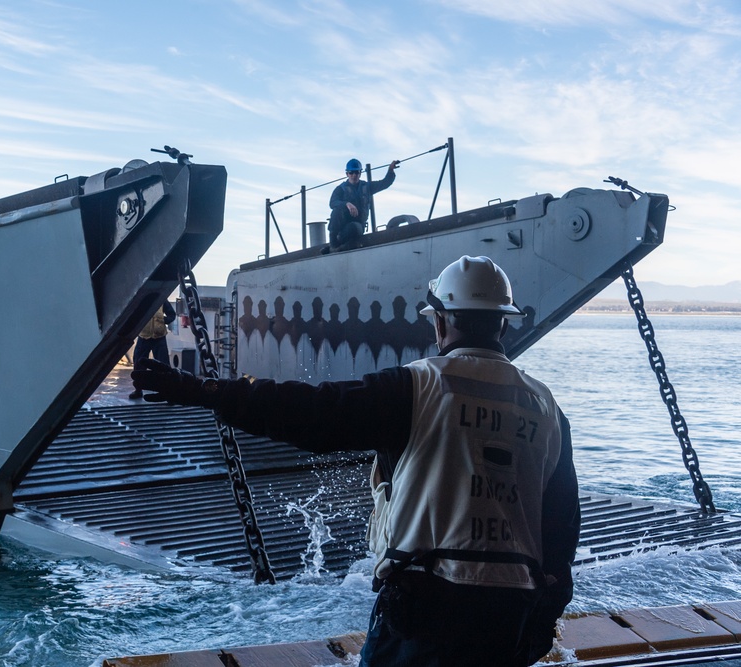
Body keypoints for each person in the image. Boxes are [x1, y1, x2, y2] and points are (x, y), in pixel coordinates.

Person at [131, 256, 580, 666]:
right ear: (502, 324)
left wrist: (203, 392)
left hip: (425, 612)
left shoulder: (418, 387)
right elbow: (562, 531)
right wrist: (540, 621)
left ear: (441, 323)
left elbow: (310, 412)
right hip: (509, 616)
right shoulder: (546, 408)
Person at [327, 158, 398, 252]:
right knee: (336, 211)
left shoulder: (367, 187)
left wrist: (390, 170)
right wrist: (346, 204)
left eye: (356, 172)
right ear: (347, 174)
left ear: (360, 173)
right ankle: (333, 245)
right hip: (342, 226)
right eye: (351, 173)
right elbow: (332, 203)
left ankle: (340, 246)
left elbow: (384, 183)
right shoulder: (340, 189)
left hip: (358, 225)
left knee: (354, 228)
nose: (354, 175)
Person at [128, 301, 177, 400]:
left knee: (164, 366)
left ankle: (167, 390)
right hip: (144, 337)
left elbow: (171, 314)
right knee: (139, 364)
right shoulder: (141, 301)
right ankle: (138, 390)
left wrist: (165, 320)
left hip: (159, 337)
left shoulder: (162, 301)